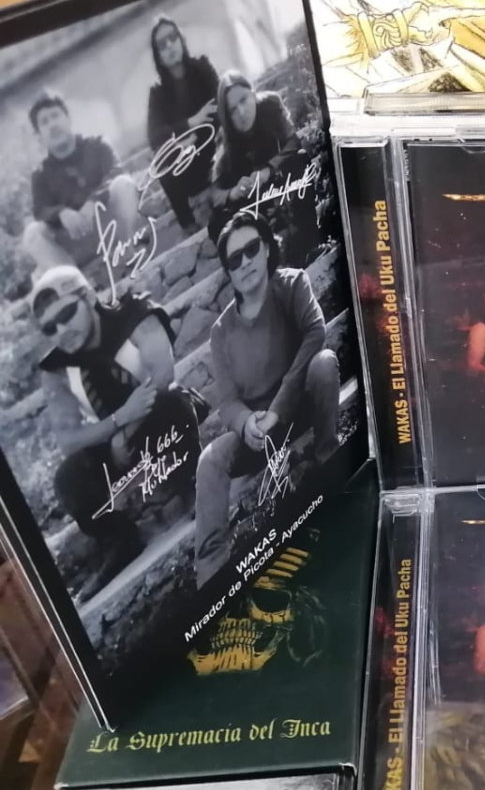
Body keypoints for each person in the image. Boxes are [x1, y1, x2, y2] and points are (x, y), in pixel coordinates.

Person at [34, 265, 202, 594]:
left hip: (158, 421)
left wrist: (126, 428)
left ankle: (196, 483)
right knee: (68, 478)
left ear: (87, 297)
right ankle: (120, 540)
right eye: (50, 328)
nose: (62, 330)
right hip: (114, 443)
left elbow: (163, 374)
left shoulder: (133, 314)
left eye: (66, 315)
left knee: (172, 402)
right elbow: (67, 440)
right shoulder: (56, 368)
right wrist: (117, 424)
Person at [193, 213, 340, 586]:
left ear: (267, 248)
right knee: (210, 459)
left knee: (324, 363)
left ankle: (330, 463)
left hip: (300, 405)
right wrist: (246, 424)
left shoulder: (292, 284)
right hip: (258, 432)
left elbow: (316, 333)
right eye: (234, 259)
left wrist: (278, 409)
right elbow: (227, 401)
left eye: (251, 249)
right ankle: (212, 574)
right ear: (228, 272)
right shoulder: (221, 331)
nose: (244, 262)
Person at [21, 91, 141, 271]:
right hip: (76, 240)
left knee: (123, 183)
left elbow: (116, 172)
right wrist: (61, 212)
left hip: (113, 225)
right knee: (32, 234)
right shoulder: (40, 174)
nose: (53, 124)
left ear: (68, 119)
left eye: (55, 116)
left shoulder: (98, 145)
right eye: (44, 122)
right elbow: (40, 210)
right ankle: (75, 281)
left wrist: (95, 200)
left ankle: (127, 253)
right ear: (39, 136)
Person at [208, 71, 315, 257]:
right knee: (216, 222)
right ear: (227, 116)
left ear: (252, 92)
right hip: (254, 201)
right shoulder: (224, 138)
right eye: (233, 110)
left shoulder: (270, 103)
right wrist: (234, 192)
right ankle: (256, 257)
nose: (241, 113)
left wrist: (269, 169)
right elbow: (214, 193)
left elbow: (293, 141)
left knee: (300, 159)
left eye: (243, 100)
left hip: (281, 183)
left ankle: (311, 242)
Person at [145, 16, 220, 232]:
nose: (169, 46)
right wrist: (190, 124)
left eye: (172, 38)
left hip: (217, 148)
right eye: (162, 44)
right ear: (158, 55)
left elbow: (220, 104)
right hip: (188, 166)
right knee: (162, 159)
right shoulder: (158, 93)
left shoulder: (202, 68)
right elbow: (154, 136)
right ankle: (188, 224)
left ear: (181, 39)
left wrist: (198, 132)